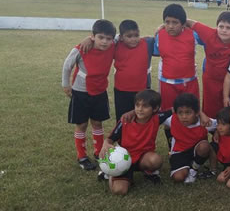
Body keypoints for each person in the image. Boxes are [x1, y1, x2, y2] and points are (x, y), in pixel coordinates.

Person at [62, 19, 116, 171]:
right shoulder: (82, 49)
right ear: (93, 36)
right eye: (100, 37)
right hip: (80, 93)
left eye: (108, 38)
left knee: (97, 122)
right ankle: (82, 156)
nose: (104, 42)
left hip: (99, 92)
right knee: (82, 124)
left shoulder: (113, 45)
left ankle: (99, 152)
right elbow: (67, 66)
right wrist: (65, 85)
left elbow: (123, 37)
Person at [99, 89, 166, 193]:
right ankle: (110, 173)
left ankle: (149, 172)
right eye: (137, 105)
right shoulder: (126, 120)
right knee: (120, 191)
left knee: (155, 160)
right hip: (124, 159)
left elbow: (175, 109)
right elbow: (110, 139)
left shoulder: (156, 118)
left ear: (155, 108)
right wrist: (105, 144)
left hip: (142, 157)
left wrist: (200, 113)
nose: (140, 109)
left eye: (145, 106)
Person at [190, 11, 230, 118]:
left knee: (228, 109)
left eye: (228, 28)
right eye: (221, 26)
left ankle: (227, 132)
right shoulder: (209, 34)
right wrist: (164, 26)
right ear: (216, 26)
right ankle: (212, 131)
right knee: (210, 112)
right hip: (210, 80)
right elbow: (189, 22)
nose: (224, 30)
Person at [154, 4, 202, 111]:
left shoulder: (193, 35)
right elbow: (157, 52)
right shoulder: (159, 35)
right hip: (167, 83)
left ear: (183, 24)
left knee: (191, 112)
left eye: (175, 22)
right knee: (169, 114)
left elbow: (211, 39)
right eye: (167, 22)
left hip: (189, 82)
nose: (170, 26)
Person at [163, 93, 212, 184]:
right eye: (180, 113)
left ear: (197, 112)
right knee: (178, 178)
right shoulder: (173, 119)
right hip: (179, 151)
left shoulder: (204, 122)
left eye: (188, 112)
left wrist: (217, 133)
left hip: (196, 150)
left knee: (204, 146)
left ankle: (194, 169)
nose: (184, 116)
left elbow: (223, 126)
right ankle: (184, 164)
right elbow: (154, 116)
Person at [113, 20, 155, 119]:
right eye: (129, 36)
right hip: (121, 90)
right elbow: (102, 39)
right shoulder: (115, 45)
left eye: (136, 35)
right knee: (122, 119)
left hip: (142, 90)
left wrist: (160, 28)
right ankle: (123, 135)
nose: (134, 39)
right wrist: (89, 39)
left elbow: (162, 38)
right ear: (121, 37)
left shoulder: (147, 43)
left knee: (142, 118)